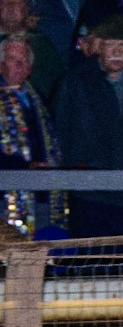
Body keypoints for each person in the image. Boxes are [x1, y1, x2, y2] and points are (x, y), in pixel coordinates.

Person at [54, 17, 123, 237]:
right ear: (98, 47)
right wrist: (79, 167)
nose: (117, 51)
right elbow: (61, 131)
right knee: (93, 255)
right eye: (110, 45)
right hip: (91, 193)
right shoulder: (75, 81)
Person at [0, 37, 67, 238]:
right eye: (12, 59)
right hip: (8, 193)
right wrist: (24, 166)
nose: (19, 65)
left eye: (24, 60)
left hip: (43, 193)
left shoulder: (37, 98)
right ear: (1, 65)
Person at [0, 0, 65, 102]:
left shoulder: (42, 46)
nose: (11, 8)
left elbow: (56, 86)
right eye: (5, 2)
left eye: (17, 3)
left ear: (27, 9)